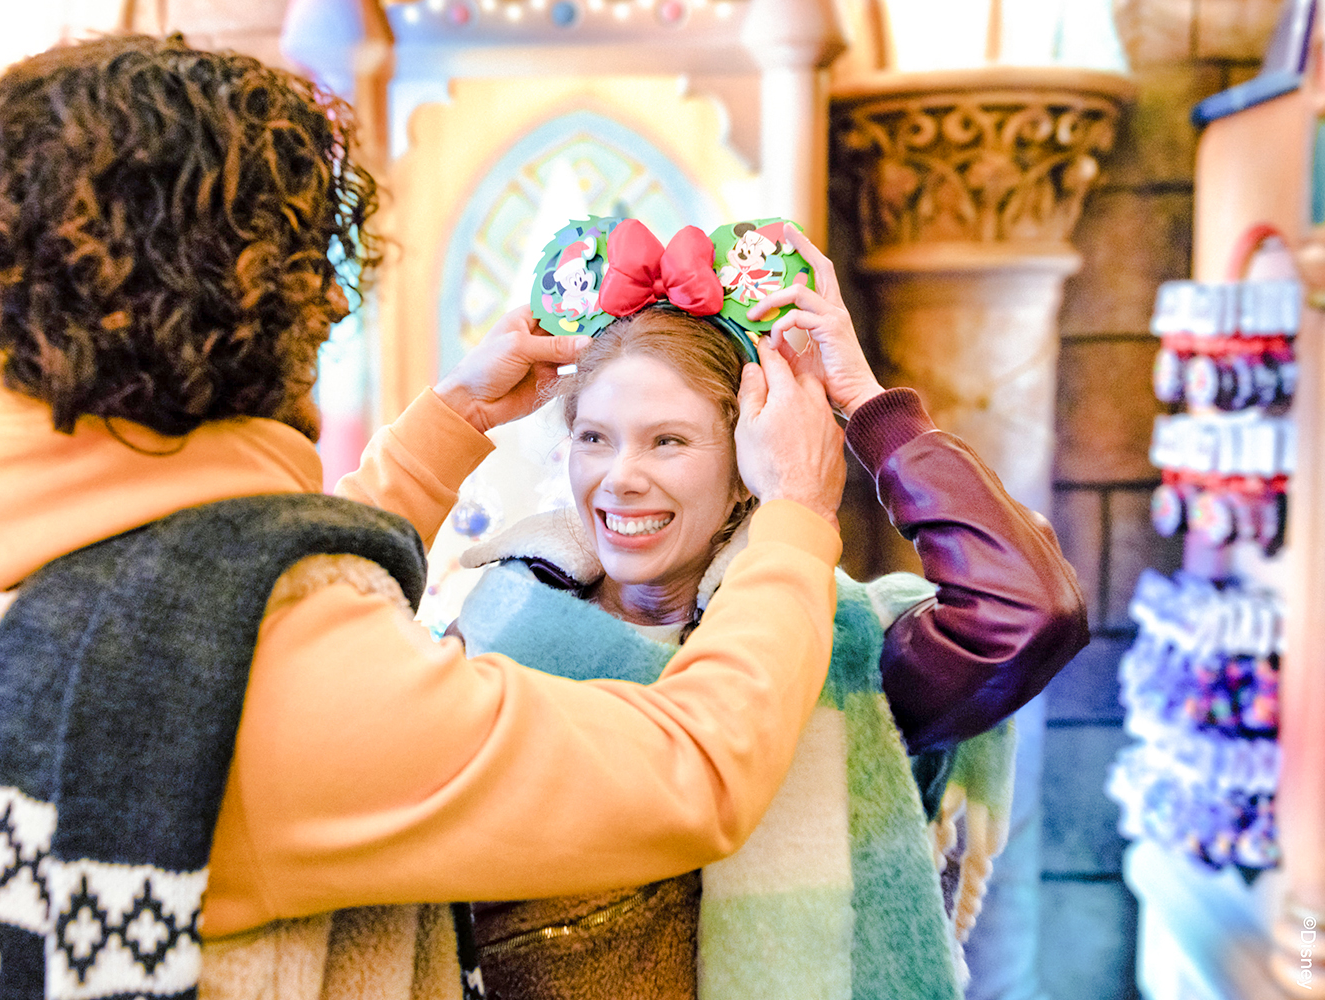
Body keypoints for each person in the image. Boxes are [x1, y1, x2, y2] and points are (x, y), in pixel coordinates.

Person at [0, 35, 855, 1000]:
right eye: (314, 281)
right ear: (246, 306)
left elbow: (211, 578)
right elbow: (692, 770)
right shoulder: (247, 675)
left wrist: (448, 424)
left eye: (668, 441)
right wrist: (801, 516)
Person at [449, 221, 1088, 1000]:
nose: (619, 477)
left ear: (749, 463)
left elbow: (1025, 610)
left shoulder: (838, 649)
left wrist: (867, 405)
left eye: (668, 442)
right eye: (595, 437)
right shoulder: (494, 632)